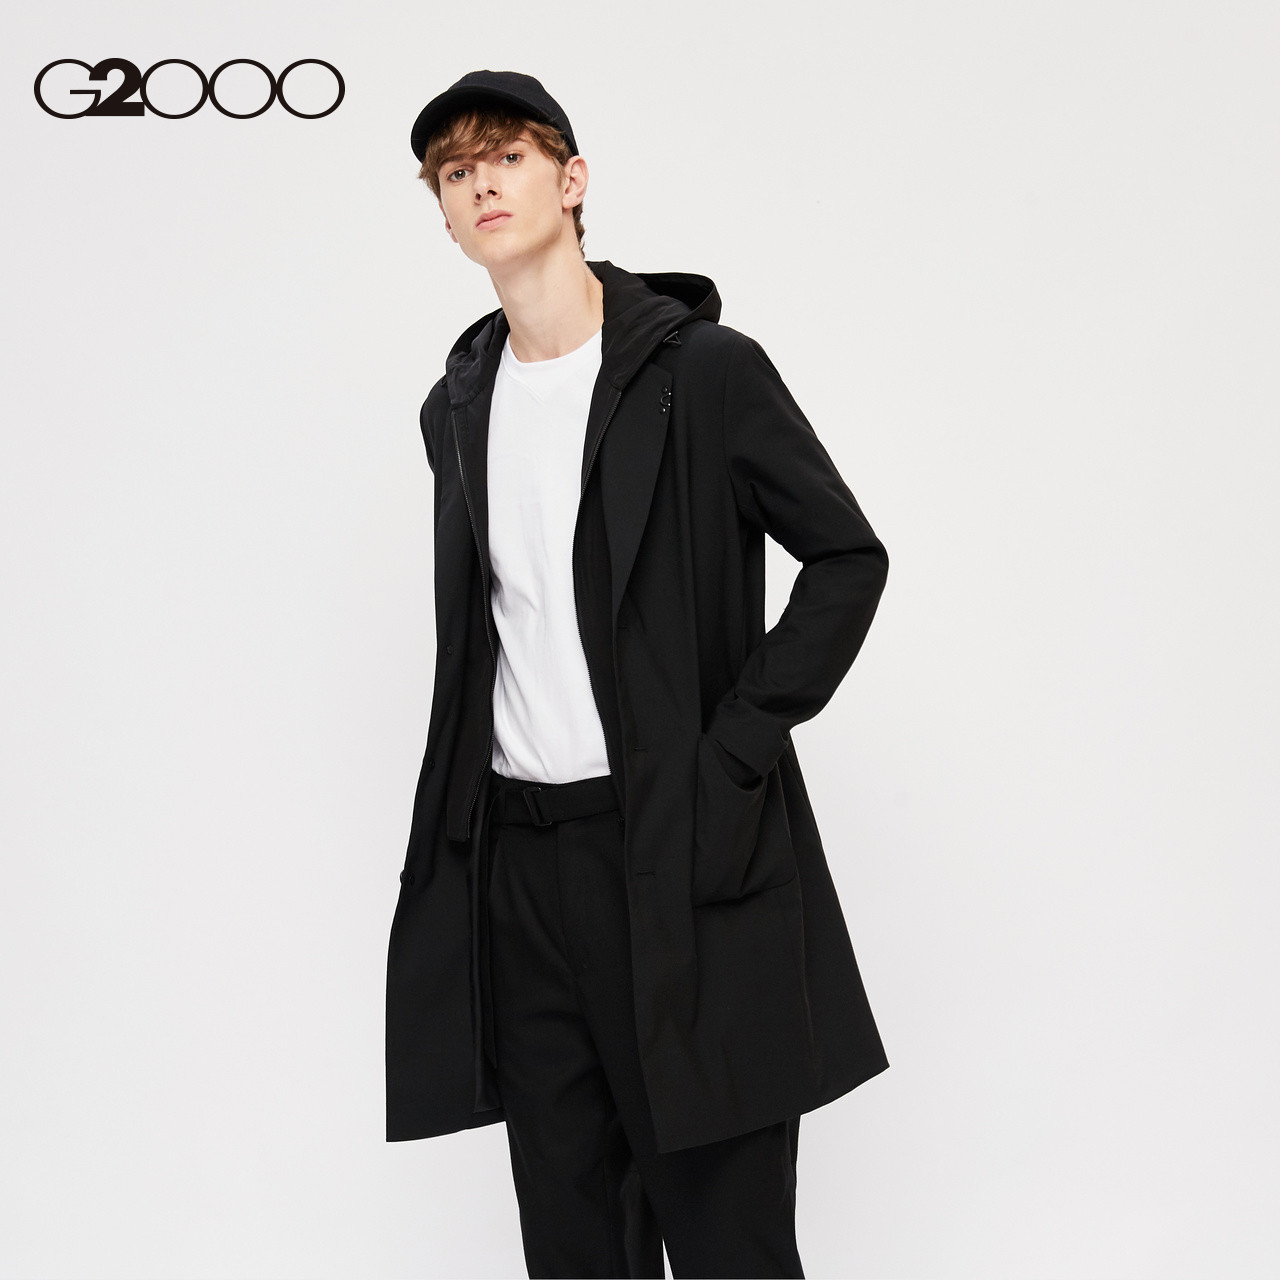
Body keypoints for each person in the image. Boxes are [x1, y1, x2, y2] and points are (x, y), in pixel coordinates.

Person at [387, 68, 892, 1279]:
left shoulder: (704, 372)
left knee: (726, 1239)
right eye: (454, 172)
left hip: (675, 852)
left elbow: (845, 556)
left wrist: (734, 747)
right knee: (571, 1245)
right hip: (522, 871)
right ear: (444, 216)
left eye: (505, 157)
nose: (480, 183)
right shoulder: (455, 408)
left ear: (570, 180)